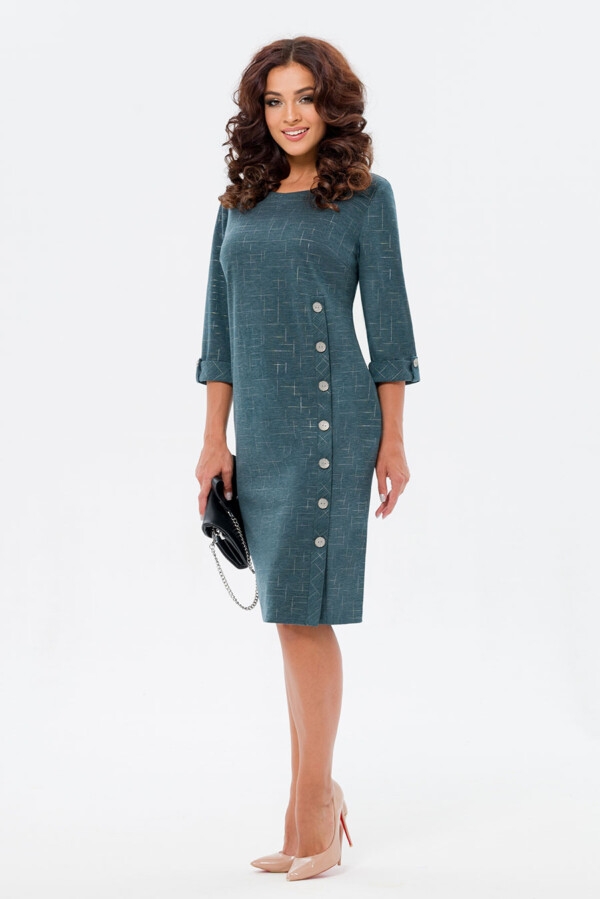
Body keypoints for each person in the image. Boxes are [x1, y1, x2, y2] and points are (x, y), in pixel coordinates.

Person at [195, 35, 420, 881]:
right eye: (274, 99)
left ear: (332, 105)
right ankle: (306, 806)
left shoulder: (364, 198)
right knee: (288, 616)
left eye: (305, 97)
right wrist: (213, 440)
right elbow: (218, 332)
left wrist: (393, 437)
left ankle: (314, 805)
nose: (291, 114)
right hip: (260, 432)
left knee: (302, 612)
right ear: (258, 111)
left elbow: (389, 329)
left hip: (332, 425)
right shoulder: (238, 203)